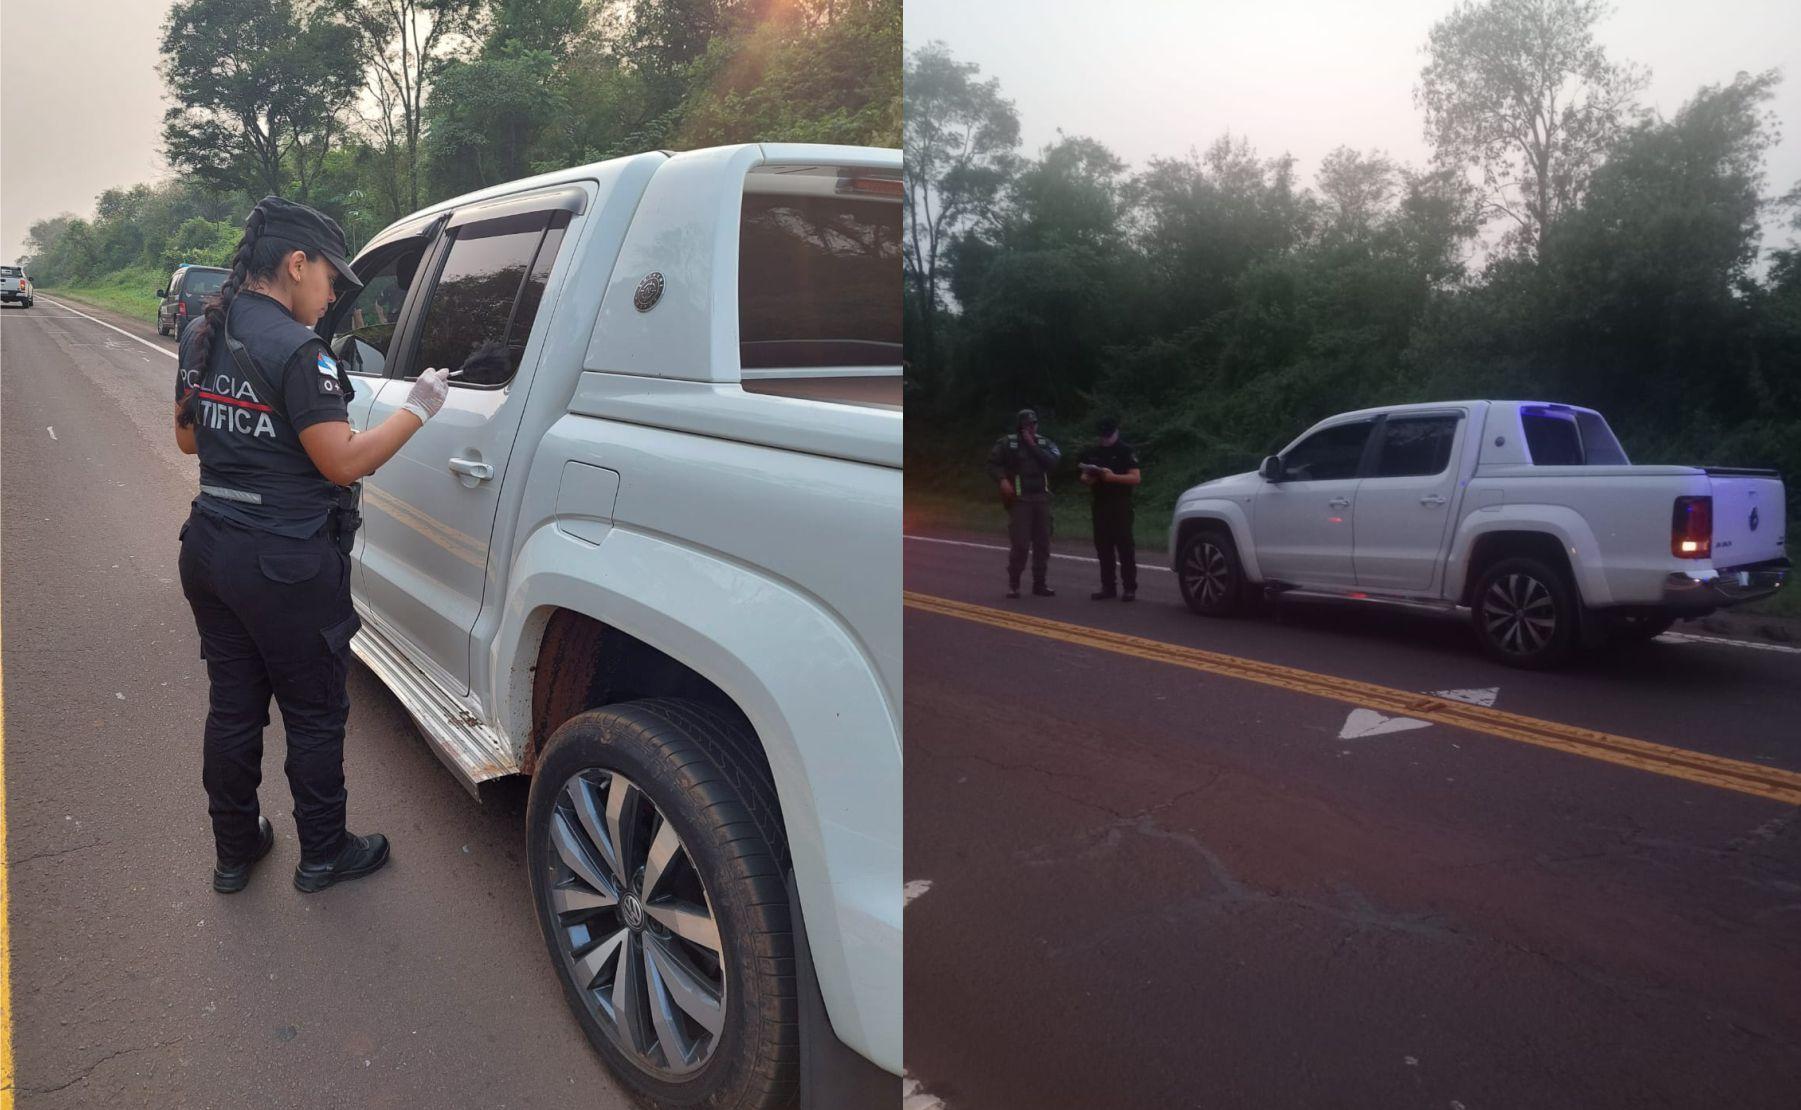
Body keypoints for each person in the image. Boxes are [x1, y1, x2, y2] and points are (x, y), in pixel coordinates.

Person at [174, 196, 454, 895]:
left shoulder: (204, 334)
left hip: (210, 546)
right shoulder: (301, 353)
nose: (332, 296)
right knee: (313, 712)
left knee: (234, 706)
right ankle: (324, 853)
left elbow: (186, 437)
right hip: (285, 563)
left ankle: (236, 851)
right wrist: (419, 407)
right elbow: (344, 462)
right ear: (295, 265)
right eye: (330, 278)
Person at [987, 408, 1062, 598]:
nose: (1032, 428)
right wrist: (1002, 480)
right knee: (1020, 544)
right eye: (1028, 425)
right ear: (1020, 426)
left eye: (1034, 424)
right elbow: (993, 464)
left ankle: (1040, 583)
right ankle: (1014, 583)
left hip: (1041, 499)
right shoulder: (1008, 443)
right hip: (1020, 500)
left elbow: (1052, 462)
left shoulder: (1045, 443)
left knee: (1043, 543)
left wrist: (1032, 444)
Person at [1079, 416, 1143, 601]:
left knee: (1125, 547)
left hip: (1120, 503)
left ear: (1116, 432)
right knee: (1103, 546)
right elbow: (1084, 476)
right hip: (1100, 503)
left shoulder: (1125, 451)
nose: (1105, 439)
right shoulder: (1093, 452)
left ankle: (1129, 587)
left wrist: (1113, 477)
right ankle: (1108, 586)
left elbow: (1135, 478)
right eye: (1102, 436)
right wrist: (1087, 478)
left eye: (1109, 435)